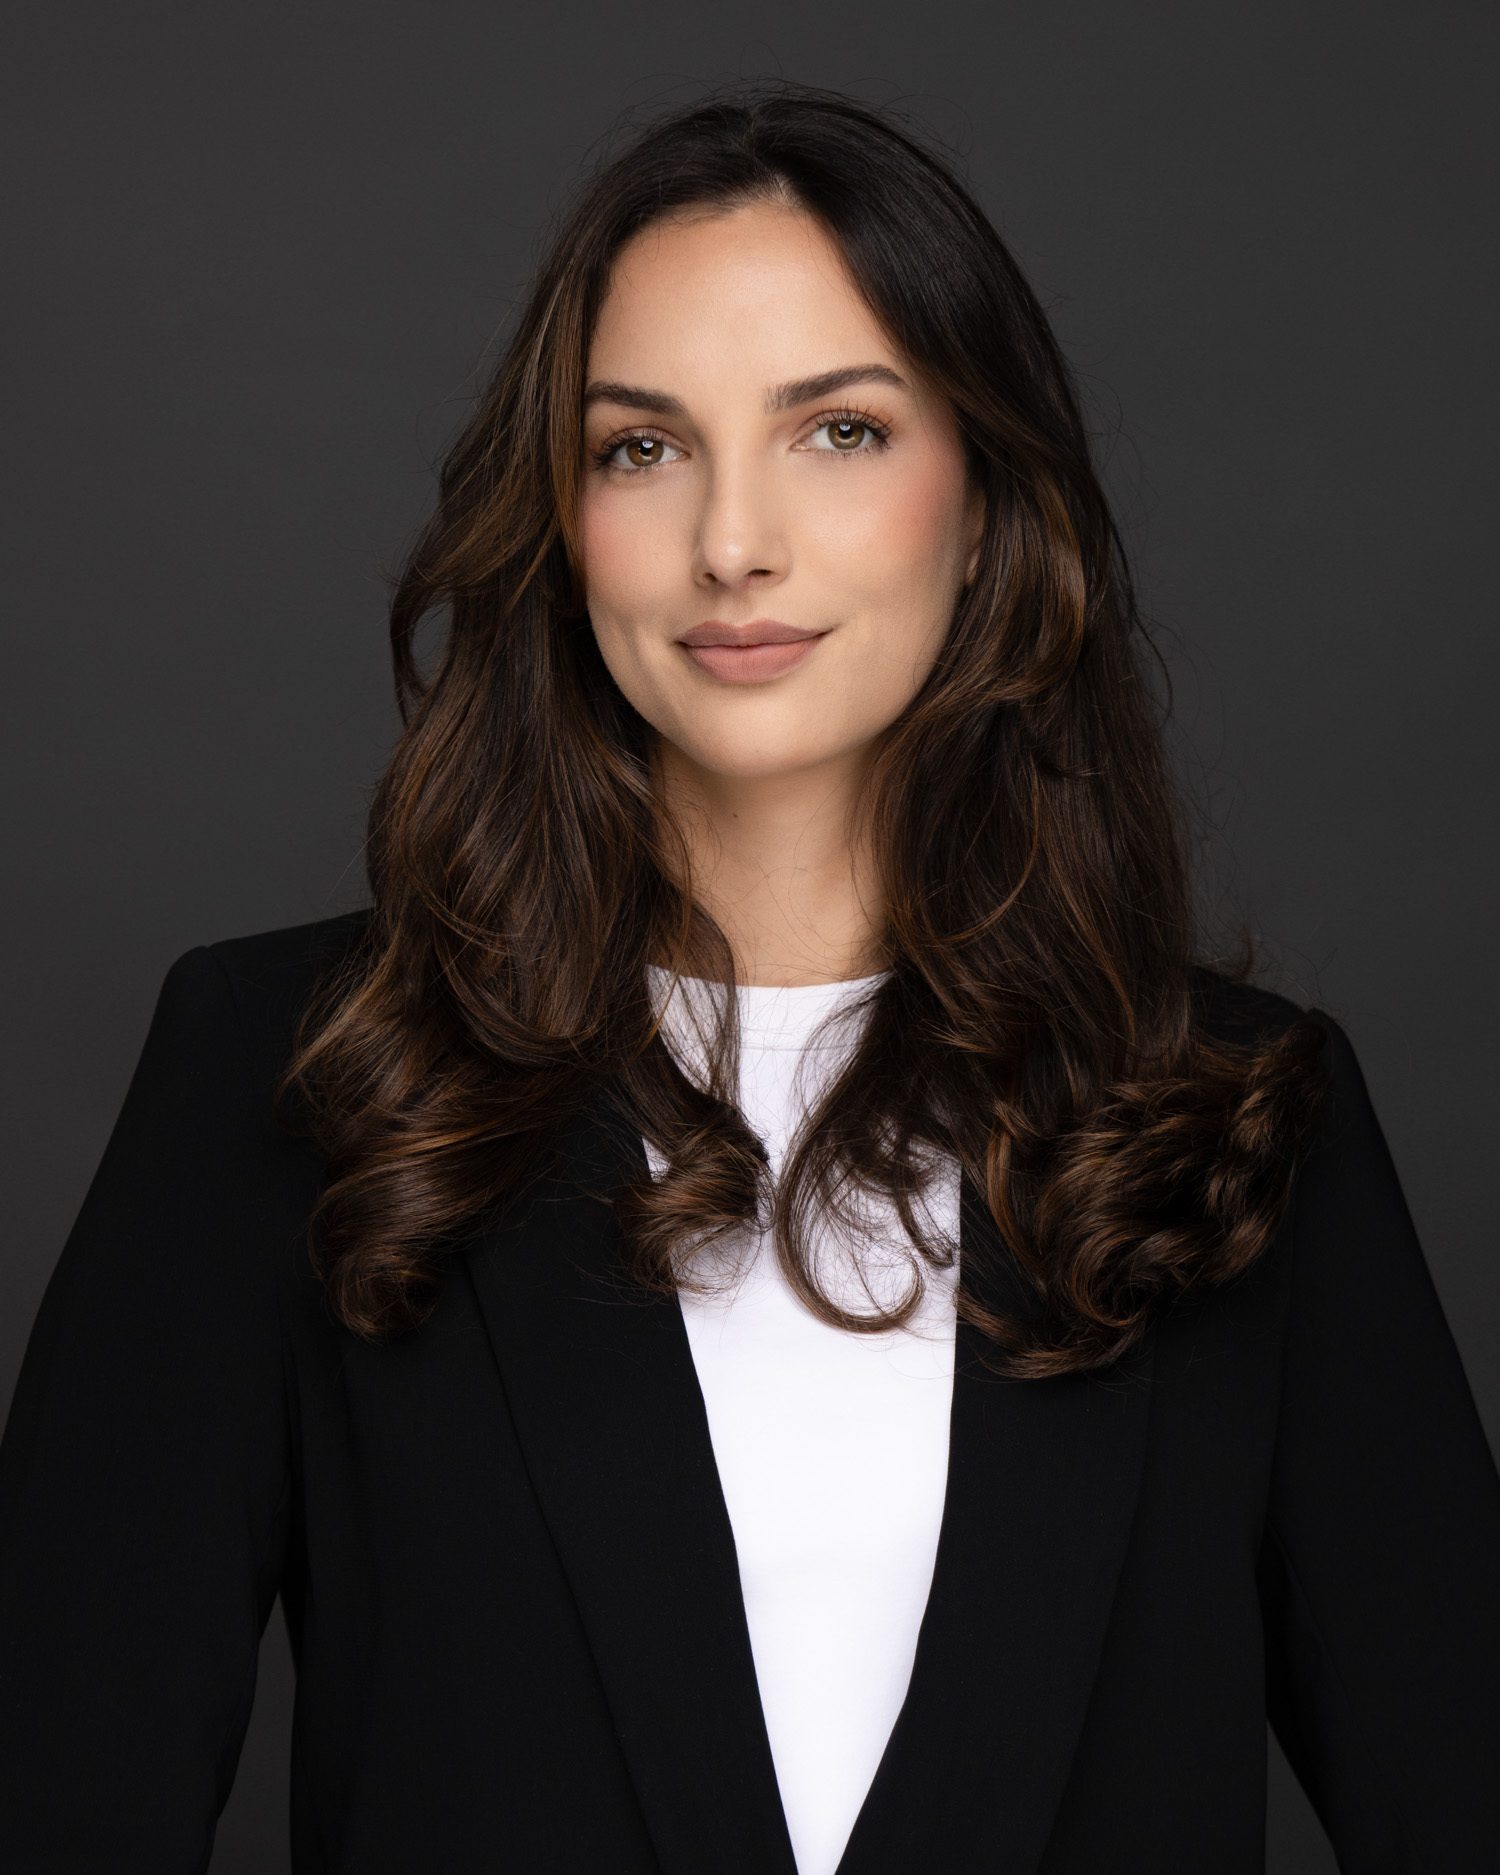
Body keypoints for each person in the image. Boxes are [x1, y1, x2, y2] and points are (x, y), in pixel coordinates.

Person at [3, 77, 1498, 1875]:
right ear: (560, 523)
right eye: (642, 446)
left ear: (987, 489)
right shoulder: (299, 1074)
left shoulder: (1246, 1121)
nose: (733, 540)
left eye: (838, 431)